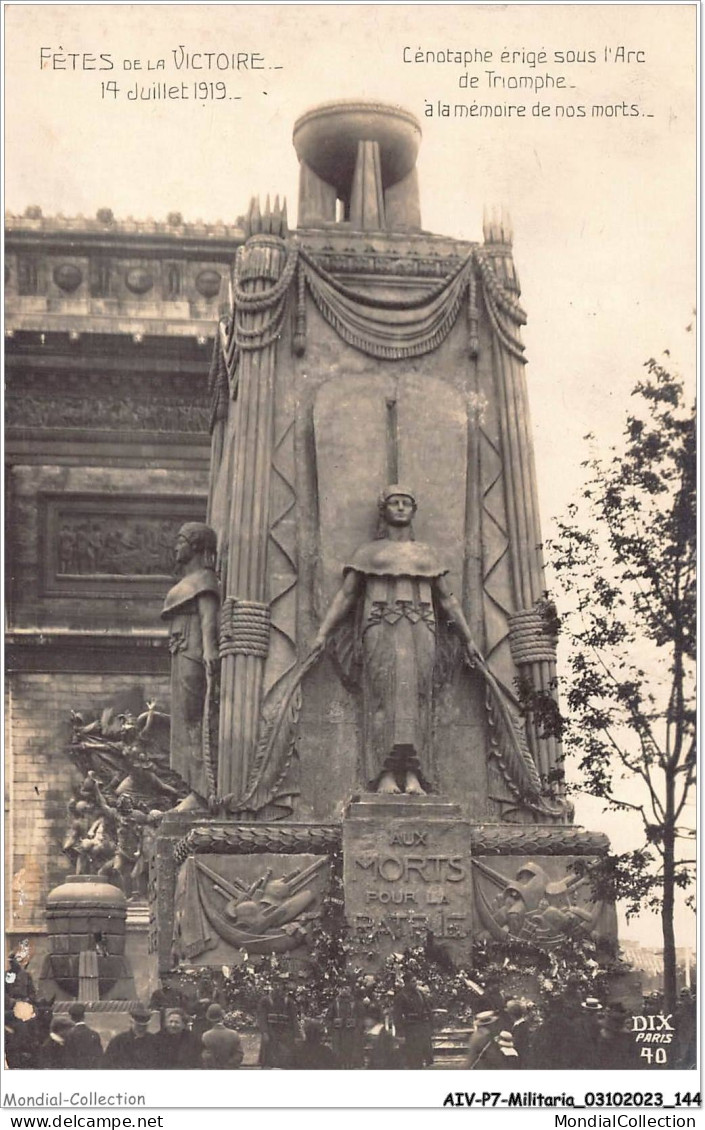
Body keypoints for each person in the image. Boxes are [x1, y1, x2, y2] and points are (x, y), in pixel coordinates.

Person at [314, 486, 480, 794]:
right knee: (383, 699)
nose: (401, 507)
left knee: (418, 701)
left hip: (422, 630)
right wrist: (323, 633)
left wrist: (468, 639)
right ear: (384, 510)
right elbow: (347, 595)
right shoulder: (368, 554)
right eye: (394, 502)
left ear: (414, 510)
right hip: (379, 630)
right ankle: (385, 775)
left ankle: (415, 775)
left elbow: (448, 601)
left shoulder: (427, 555)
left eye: (406, 503)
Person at [161, 522, 219, 809]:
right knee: (185, 719)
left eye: (181, 541)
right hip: (181, 649)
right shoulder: (192, 580)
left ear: (195, 545)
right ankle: (194, 789)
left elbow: (209, 617)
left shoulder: (205, 579)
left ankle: (202, 792)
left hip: (194, 652)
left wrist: (210, 650)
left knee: (195, 716)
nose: (175, 546)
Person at [257, 980, 302, 1068]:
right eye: (276, 986)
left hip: (285, 1032)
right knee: (269, 1058)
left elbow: (294, 1020)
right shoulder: (265, 1001)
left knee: (286, 1058)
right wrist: (264, 1032)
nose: (280, 990)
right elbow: (261, 1018)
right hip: (270, 1031)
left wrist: (296, 1035)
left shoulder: (289, 1002)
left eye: (282, 988)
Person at [393, 973, 434, 1068]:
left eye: (416, 981)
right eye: (413, 982)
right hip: (411, 1029)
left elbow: (428, 1010)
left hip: (423, 1028)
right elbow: (397, 1016)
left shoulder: (420, 994)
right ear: (406, 983)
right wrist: (400, 1033)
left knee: (426, 1056)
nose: (415, 984)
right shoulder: (401, 996)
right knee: (413, 1059)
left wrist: (430, 1026)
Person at [103, 1002, 157, 1069]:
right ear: (131, 1022)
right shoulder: (118, 1042)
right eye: (138, 1026)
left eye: (144, 1026)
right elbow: (107, 1065)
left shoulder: (155, 1041)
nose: (141, 1029)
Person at [326, 985, 366, 1069]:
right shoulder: (335, 1003)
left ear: (350, 990)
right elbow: (328, 1017)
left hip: (352, 1033)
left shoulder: (356, 1002)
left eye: (346, 988)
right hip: (338, 1033)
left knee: (351, 1055)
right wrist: (332, 1027)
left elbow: (362, 1017)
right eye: (342, 988)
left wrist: (358, 1028)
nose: (344, 990)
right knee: (338, 1055)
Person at [200, 1003, 244, 1069]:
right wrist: (228, 1066)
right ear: (222, 1016)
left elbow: (205, 1056)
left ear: (208, 1018)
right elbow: (239, 1055)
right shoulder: (234, 1034)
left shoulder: (206, 1036)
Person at [63, 1002, 103, 1069]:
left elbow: (67, 1059)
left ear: (71, 1018)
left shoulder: (68, 1035)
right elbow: (99, 1057)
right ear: (84, 1016)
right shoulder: (94, 1034)